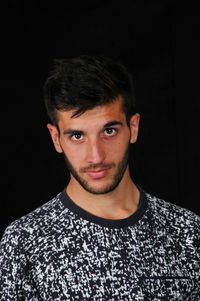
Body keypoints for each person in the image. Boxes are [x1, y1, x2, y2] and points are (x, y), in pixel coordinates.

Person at [0, 55, 199, 301]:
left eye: (109, 131)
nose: (96, 156)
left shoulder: (187, 232)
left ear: (133, 128)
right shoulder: (24, 241)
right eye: (77, 136)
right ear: (55, 138)